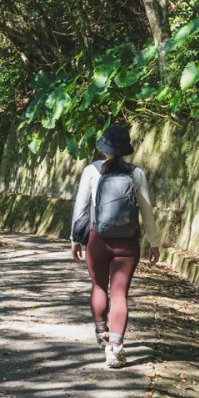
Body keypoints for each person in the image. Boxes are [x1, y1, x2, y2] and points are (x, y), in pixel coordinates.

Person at [70, 124, 158, 368]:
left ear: (104, 147)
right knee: (120, 294)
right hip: (128, 242)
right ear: (126, 149)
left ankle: (101, 331)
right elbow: (147, 211)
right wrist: (154, 242)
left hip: (98, 239)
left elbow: (80, 208)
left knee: (98, 286)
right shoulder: (136, 174)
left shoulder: (92, 171)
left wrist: (75, 239)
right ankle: (115, 348)